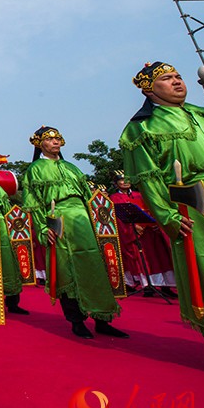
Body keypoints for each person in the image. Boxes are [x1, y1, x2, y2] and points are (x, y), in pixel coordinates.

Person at [120, 62, 204, 383]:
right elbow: (149, 178)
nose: (177, 82)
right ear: (148, 89)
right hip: (198, 206)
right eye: (167, 79)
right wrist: (167, 215)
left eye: (178, 76)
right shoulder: (142, 128)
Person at [22, 126, 127, 340]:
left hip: (84, 221)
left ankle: (103, 319)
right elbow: (33, 204)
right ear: (40, 144)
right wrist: (43, 227)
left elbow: (89, 196)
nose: (55, 142)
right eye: (50, 140)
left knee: (94, 268)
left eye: (58, 138)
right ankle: (76, 321)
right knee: (66, 272)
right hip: (59, 221)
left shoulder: (72, 167)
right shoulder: (35, 169)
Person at [109, 171, 176, 295]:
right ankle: (147, 286)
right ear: (116, 183)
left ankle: (166, 286)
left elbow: (153, 209)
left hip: (151, 232)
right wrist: (134, 227)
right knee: (142, 259)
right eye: (121, 180)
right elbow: (117, 218)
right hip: (136, 234)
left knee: (160, 258)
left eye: (127, 180)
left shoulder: (139, 195)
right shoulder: (114, 198)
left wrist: (156, 224)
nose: (125, 182)